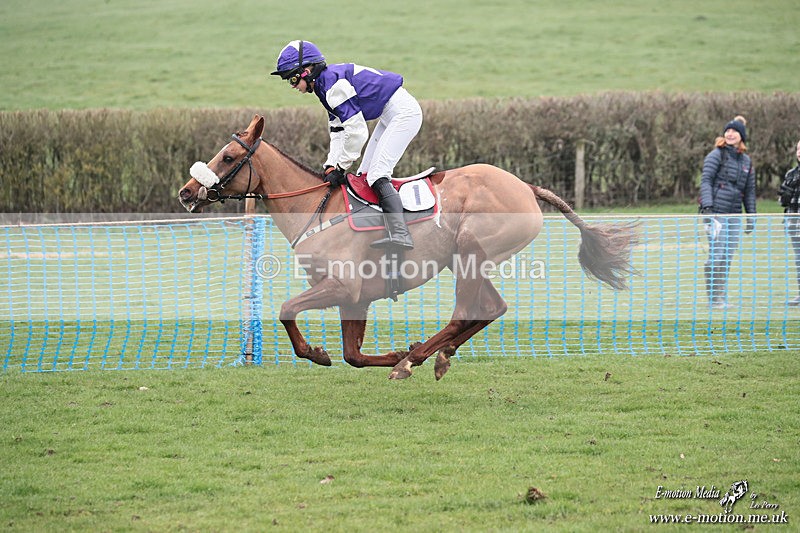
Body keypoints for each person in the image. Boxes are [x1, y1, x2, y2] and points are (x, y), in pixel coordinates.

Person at [270, 40, 422, 250]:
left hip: (404, 113)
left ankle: (400, 234)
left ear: (307, 70)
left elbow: (358, 132)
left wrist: (342, 166)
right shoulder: (324, 87)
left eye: (293, 79)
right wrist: (330, 164)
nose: (293, 86)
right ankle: (379, 229)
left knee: (377, 175)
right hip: (390, 114)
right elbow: (338, 131)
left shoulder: (333, 87)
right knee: (364, 175)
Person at [698, 115, 756, 310]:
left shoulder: (746, 161)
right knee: (717, 254)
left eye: (735, 131)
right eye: (728, 130)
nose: (730, 134)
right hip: (716, 214)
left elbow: (749, 191)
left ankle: (721, 296)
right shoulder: (716, 155)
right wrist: (707, 208)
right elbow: (706, 180)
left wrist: (751, 217)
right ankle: (714, 299)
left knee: (727, 257)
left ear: (742, 136)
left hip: (734, 216)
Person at [779, 139, 800, 306]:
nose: (799, 152)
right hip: (794, 222)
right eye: (798, 149)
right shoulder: (791, 174)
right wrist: (784, 197)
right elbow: (782, 200)